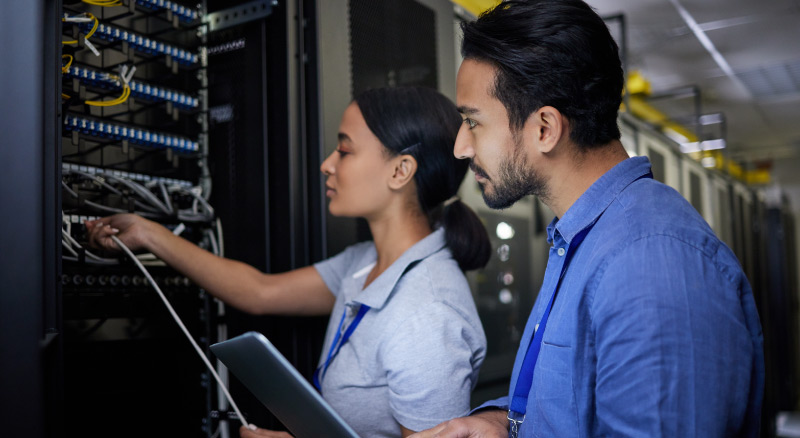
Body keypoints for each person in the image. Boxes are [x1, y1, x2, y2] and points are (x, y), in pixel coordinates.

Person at [412, 1, 764, 437]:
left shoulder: (651, 262)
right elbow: (572, 404)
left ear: (544, 128)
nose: (461, 147)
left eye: (473, 122)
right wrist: (501, 423)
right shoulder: (585, 238)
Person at [86, 86, 491, 438]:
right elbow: (260, 292)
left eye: (345, 149)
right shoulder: (367, 263)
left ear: (401, 170)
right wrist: (148, 234)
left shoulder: (426, 314)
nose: (327, 164)